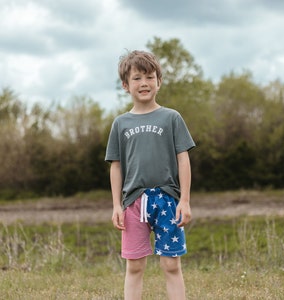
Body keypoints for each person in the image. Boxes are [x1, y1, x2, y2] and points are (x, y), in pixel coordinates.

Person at [105, 50, 195, 300]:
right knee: (134, 266)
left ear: (159, 81)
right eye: (136, 78)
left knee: (171, 265)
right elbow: (116, 166)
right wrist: (116, 205)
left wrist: (184, 200)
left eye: (149, 77)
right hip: (133, 203)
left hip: (168, 200)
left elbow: (183, 159)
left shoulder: (172, 118)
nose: (143, 83)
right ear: (125, 85)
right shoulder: (120, 124)